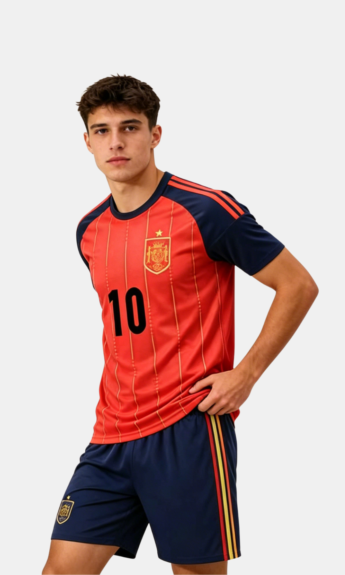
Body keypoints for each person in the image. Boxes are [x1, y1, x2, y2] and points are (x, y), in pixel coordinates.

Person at [42, 74, 318, 575]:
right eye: (102, 131)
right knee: (61, 569)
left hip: (187, 428)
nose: (116, 142)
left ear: (155, 134)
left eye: (130, 127)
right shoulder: (89, 231)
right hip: (110, 433)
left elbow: (298, 285)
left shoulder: (206, 210)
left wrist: (246, 375)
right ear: (87, 142)